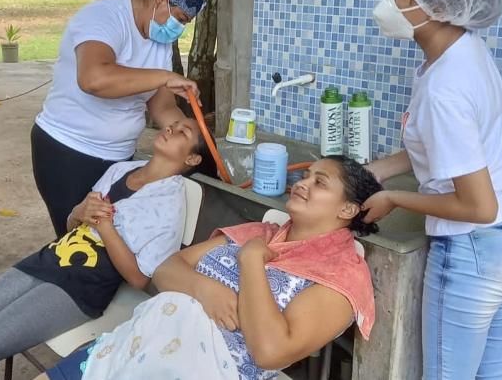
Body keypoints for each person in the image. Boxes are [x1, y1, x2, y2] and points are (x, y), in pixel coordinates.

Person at [36, 156, 383, 380]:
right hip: (143, 339)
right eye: (306, 175)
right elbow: (165, 269)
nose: (302, 183)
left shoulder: (339, 275)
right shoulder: (261, 232)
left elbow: (270, 351)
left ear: (348, 209)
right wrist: (206, 291)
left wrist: (250, 263)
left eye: (319, 182)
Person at [0, 118, 216, 380]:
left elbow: (141, 278)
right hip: (49, 258)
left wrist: (106, 228)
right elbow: (73, 225)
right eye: (172, 125)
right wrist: (79, 212)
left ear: (193, 160)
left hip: (80, 284)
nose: (170, 129)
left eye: (183, 132)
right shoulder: (122, 170)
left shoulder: (170, 205)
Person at [366, 0, 502, 378]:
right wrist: (382, 170)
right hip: (500, 247)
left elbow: (479, 206)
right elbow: (455, 147)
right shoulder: (465, 51)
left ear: (441, 7)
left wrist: (393, 197)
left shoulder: (445, 85)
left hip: (470, 252)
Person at [32, 0, 206, 237]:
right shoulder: (103, 17)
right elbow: (93, 79)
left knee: (111, 238)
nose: (179, 30)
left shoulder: (156, 38)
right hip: (68, 151)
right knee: (77, 240)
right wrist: (165, 76)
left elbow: (162, 106)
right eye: (181, 19)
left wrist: (193, 137)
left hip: (119, 160)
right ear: (161, 1)